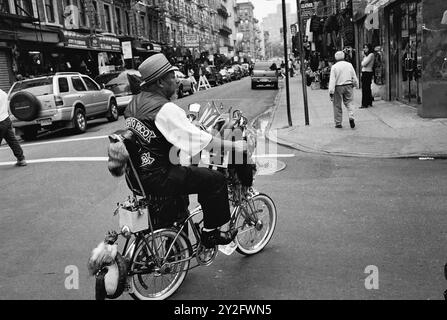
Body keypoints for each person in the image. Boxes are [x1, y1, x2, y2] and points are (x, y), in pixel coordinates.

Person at [122, 53, 246, 248]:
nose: (177, 81)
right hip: (160, 176)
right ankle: (210, 234)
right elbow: (200, 141)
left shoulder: (133, 104)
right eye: (172, 77)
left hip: (136, 176)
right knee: (215, 180)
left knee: (182, 194)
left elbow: (156, 134)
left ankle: (177, 250)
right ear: (161, 82)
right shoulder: (164, 108)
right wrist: (235, 145)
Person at [328, 51, 359, 129]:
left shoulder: (334, 67)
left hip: (338, 87)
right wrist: (356, 84)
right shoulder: (349, 65)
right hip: (348, 85)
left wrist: (331, 91)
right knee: (349, 103)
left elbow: (332, 80)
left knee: (337, 105)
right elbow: (354, 76)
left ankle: (338, 123)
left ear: (336, 58)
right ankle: (351, 116)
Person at [0, 88, 27, 166]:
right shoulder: (3, 93)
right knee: (12, 140)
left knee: (12, 140)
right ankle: (21, 159)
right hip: (6, 119)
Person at [360, 43, 375, 108]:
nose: (364, 49)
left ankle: (365, 103)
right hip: (365, 72)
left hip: (367, 72)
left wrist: (364, 57)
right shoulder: (367, 56)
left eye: (366, 48)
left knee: (365, 88)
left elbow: (364, 64)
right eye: (364, 48)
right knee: (367, 88)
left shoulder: (371, 55)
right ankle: (369, 102)